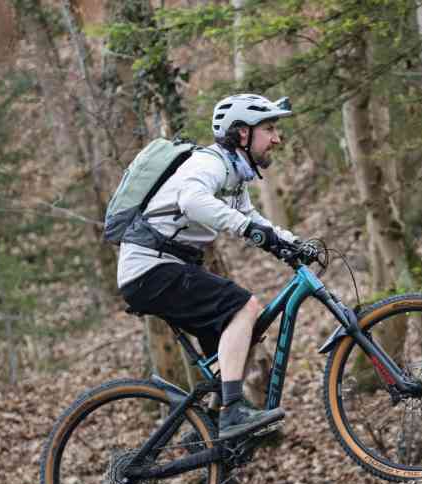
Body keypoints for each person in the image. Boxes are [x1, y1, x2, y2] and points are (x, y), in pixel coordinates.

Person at [116, 93, 298, 439]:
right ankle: (232, 412)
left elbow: (253, 218)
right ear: (242, 133)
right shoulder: (208, 164)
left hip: (164, 269)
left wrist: (293, 244)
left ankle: (208, 427)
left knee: (246, 330)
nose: (277, 138)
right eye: (270, 129)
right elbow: (192, 200)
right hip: (150, 270)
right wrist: (248, 230)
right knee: (244, 306)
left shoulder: (234, 174)